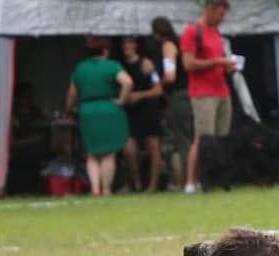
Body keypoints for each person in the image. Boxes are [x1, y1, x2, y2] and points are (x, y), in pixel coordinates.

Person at [180, 0, 236, 194]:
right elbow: (188, 64)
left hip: (222, 90)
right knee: (203, 138)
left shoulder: (216, 33)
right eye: (220, 14)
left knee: (220, 139)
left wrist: (227, 66)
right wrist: (218, 61)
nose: (222, 18)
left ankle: (215, 179)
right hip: (203, 93)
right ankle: (190, 182)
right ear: (209, 9)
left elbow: (218, 61)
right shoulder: (191, 32)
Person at [66, 36, 133, 197]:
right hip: (109, 108)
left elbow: (72, 93)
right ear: (106, 51)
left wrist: (69, 109)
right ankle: (106, 189)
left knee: (92, 152)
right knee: (108, 152)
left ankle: (95, 189)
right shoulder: (112, 66)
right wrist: (122, 100)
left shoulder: (80, 68)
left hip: (87, 110)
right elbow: (128, 82)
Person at [151, 16, 193, 191]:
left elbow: (170, 75)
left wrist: (158, 83)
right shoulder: (183, 42)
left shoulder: (168, 45)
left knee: (184, 140)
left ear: (157, 34)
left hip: (179, 95)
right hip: (192, 93)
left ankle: (187, 180)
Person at [119, 36, 163, 193]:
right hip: (129, 111)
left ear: (136, 45)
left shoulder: (147, 64)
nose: (127, 46)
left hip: (147, 109)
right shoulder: (119, 66)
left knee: (153, 147)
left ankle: (153, 185)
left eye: (130, 42)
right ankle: (136, 182)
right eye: (124, 43)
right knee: (129, 149)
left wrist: (139, 95)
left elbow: (158, 89)